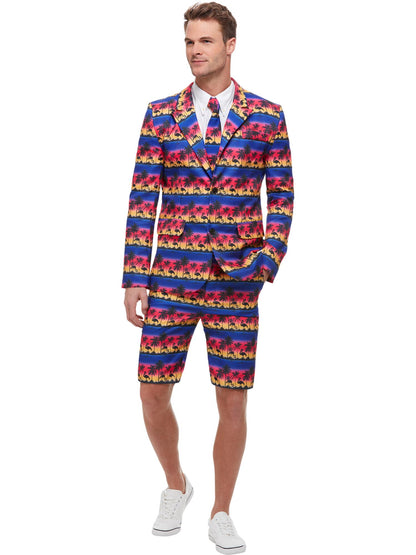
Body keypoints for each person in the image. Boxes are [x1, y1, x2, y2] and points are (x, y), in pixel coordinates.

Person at [122, 2, 294, 552]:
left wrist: (267, 261)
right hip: (170, 275)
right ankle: (176, 484)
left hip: (237, 281)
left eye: (205, 41)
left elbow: (282, 196)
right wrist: (134, 274)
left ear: (230, 45)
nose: (195, 51)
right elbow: (143, 195)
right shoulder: (159, 114)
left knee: (233, 400)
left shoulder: (267, 116)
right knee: (152, 392)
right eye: (189, 42)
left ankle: (222, 510)